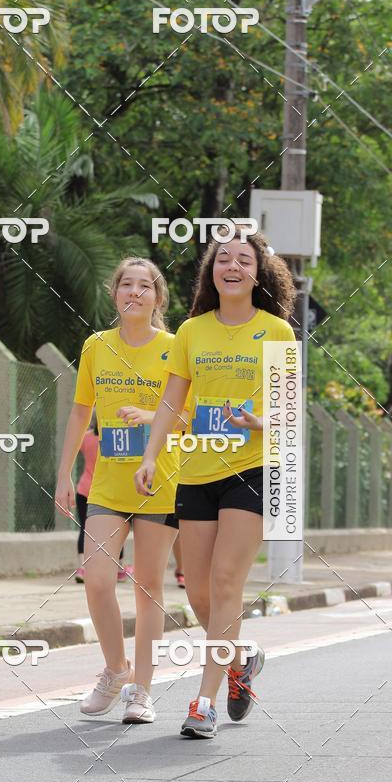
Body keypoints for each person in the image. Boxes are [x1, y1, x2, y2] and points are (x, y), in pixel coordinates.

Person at [135, 230, 296, 738]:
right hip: (197, 469)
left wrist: (259, 422)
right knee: (201, 594)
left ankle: (202, 704)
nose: (231, 266)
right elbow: (170, 402)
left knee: (228, 584)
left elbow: (289, 414)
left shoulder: (276, 332)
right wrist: (149, 455)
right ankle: (240, 658)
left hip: (252, 470)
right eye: (222, 258)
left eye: (243, 259)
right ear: (211, 271)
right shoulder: (192, 332)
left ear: (258, 272)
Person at [55, 257, 188, 724]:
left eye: (144, 286)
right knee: (97, 580)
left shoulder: (176, 347)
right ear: (115, 294)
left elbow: (192, 415)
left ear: (157, 298)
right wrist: (63, 473)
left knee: (149, 588)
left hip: (159, 480)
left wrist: (153, 417)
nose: (134, 292)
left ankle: (142, 691)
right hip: (109, 483)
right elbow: (79, 413)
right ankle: (115, 669)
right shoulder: (96, 346)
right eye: (126, 285)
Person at [75, 414, 132, 583]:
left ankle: (82, 568)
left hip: (84, 490)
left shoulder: (86, 439)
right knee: (117, 530)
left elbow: (75, 444)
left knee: (84, 529)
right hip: (107, 490)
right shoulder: (115, 438)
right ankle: (120, 568)